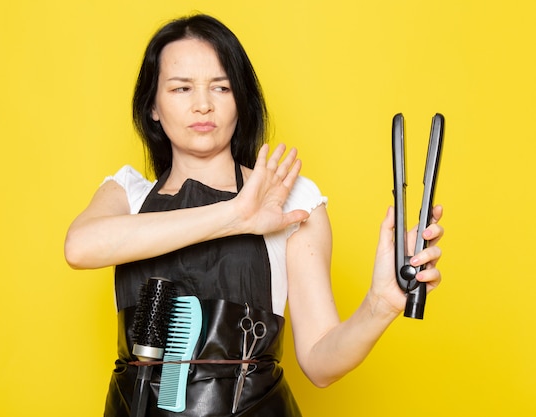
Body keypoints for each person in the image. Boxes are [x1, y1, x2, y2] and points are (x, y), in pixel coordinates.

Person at [64, 14, 444, 417]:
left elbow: (320, 364)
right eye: (181, 88)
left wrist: (380, 304)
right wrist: (235, 215)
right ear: (153, 106)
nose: (203, 104)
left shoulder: (293, 201)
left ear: (240, 100)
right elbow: (79, 247)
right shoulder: (128, 195)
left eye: (221, 87)